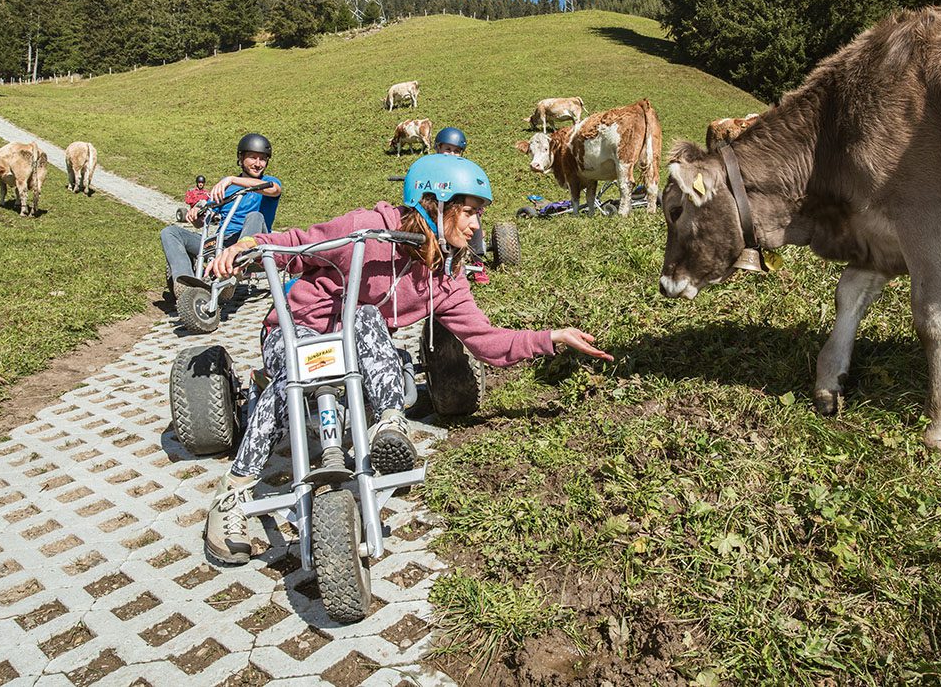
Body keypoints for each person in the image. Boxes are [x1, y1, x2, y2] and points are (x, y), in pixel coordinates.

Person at [201, 153, 612, 564]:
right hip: (297, 332)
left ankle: (389, 424)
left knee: (363, 315)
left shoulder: (446, 279)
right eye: (468, 213)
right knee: (294, 375)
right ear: (434, 203)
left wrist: (553, 337)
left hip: (354, 350)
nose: (476, 226)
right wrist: (248, 245)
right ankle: (233, 494)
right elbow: (296, 244)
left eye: (479, 216)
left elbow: (487, 341)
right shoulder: (368, 229)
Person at [161, 134, 282, 294]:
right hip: (222, 243)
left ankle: (232, 269)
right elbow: (201, 222)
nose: (258, 164)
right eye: (253, 158)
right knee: (170, 232)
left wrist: (231, 179)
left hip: (253, 243)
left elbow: (274, 189)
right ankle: (185, 284)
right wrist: (196, 215)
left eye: (262, 159)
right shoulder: (224, 189)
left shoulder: (267, 181)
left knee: (255, 216)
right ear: (241, 158)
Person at [433, 127, 490, 284]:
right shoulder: (430, 167)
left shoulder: (464, 170)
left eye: (457, 151)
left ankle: (478, 261)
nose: (452, 154)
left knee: (473, 219)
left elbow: (473, 189)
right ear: (438, 148)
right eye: (448, 149)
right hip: (436, 208)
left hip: (458, 208)